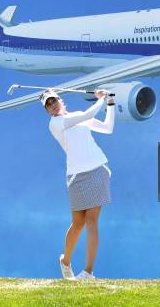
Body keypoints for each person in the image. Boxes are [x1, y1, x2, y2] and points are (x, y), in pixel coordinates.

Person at [41, 88, 115, 280]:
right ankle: (65, 262)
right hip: (76, 176)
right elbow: (89, 113)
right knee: (78, 223)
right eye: (48, 105)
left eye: (54, 100)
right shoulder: (55, 123)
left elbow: (108, 128)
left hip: (98, 168)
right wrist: (101, 98)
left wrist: (110, 103)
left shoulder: (76, 116)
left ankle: (88, 272)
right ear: (47, 111)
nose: (53, 105)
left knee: (92, 220)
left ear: (61, 100)